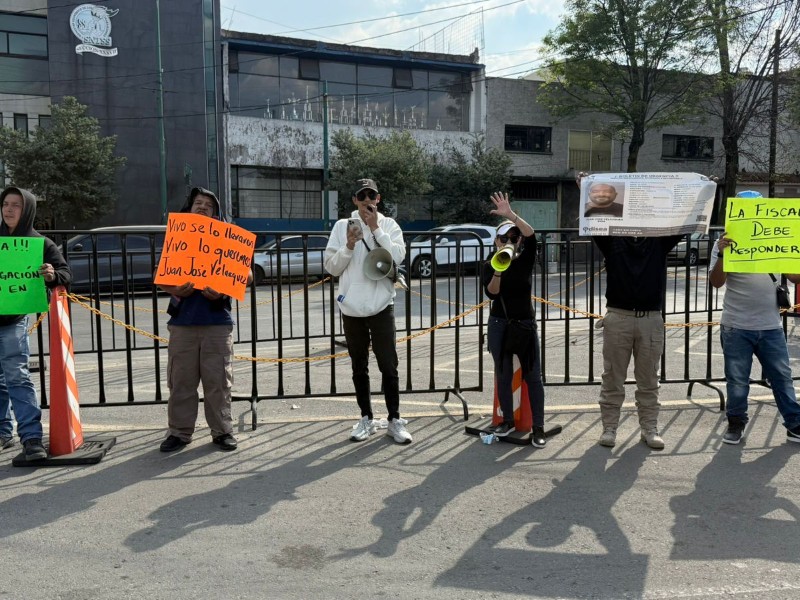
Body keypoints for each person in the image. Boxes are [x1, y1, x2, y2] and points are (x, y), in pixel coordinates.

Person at [578, 173, 684, 450]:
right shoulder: (613, 241)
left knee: (649, 380)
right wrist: (584, 190)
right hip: (618, 317)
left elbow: (687, 220)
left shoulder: (659, 242)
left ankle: (649, 429)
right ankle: (609, 428)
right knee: (612, 377)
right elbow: (593, 218)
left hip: (650, 319)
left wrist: (706, 191)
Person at [324, 178, 412, 444]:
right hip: (351, 308)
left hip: (381, 305)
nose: (366, 201)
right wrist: (349, 246)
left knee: (389, 364)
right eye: (361, 196)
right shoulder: (342, 227)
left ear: (378, 199)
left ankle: (394, 419)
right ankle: (366, 418)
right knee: (358, 365)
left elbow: (396, 258)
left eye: (371, 196)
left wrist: (376, 229)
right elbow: (331, 266)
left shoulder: (389, 225)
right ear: (354, 200)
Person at [709, 190, 800, 445]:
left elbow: (794, 277)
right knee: (737, 380)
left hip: (770, 325)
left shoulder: (774, 238)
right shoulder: (723, 243)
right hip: (736, 325)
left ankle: (794, 423)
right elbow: (716, 282)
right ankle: (736, 424)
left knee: (782, 375)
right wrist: (723, 254)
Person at [157, 187, 242, 453]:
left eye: (208, 205)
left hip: (217, 322)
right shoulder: (177, 237)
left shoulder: (227, 239)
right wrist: (173, 290)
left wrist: (223, 290)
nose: (203, 207)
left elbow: (247, 275)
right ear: (189, 208)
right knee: (181, 381)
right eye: (198, 203)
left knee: (217, 382)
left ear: (216, 214)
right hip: (183, 322)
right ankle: (179, 433)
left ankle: (222, 431)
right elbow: (160, 275)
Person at [0, 186, 72, 460]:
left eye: (15, 205)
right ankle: (3, 433)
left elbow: (65, 273)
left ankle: (31, 438)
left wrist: (52, 274)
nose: (8, 209)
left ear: (27, 208)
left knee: (17, 377)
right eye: (6, 203)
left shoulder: (40, 244)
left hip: (13, 321)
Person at [481, 192, 547, 447]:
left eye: (512, 237)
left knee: (533, 377)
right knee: (504, 374)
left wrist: (510, 215)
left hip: (525, 326)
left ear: (517, 240)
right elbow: (492, 293)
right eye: (503, 237)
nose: (508, 241)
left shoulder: (525, 259)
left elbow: (532, 236)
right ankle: (507, 420)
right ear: (496, 241)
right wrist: (498, 269)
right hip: (500, 325)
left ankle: (538, 427)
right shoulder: (490, 265)